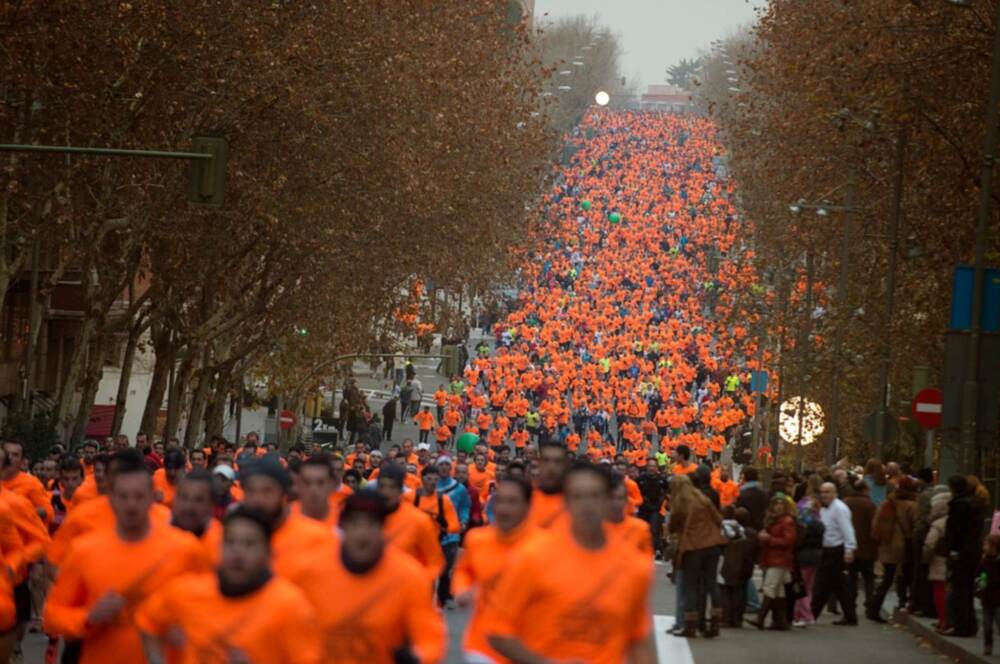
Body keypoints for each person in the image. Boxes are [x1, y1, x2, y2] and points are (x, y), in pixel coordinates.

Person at [42, 449, 209, 664]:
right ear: (111, 497)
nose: (131, 504)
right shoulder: (84, 549)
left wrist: (188, 625)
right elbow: (52, 616)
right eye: (123, 496)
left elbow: (212, 607)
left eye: (139, 496)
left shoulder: (184, 546)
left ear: (152, 496)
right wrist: (88, 617)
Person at [487, 462, 655, 663]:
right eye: (577, 496)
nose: (587, 505)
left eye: (595, 496)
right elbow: (496, 630)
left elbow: (638, 642)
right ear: (565, 503)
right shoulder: (532, 557)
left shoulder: (634, 566)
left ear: (608, 501)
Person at [136, 506, 320, 663]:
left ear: (268, 552)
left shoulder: (291, 606)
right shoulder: (186, 591)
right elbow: (147, 621)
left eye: (249, 544)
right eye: (230, 542)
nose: (237, 553)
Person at [287, 490, 446, 663]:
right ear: (342, 527)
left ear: (384, 528)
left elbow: (430, 637)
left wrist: (416, 657)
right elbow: (288, 631)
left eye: (371, 524)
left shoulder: (410, 577)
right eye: (354, 523)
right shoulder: (308, 571)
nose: (362, 534)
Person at [454, 476, 535, 662]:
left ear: (528, 507)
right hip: (481, 644)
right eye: (500, 501)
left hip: (526, 645)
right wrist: (462, 589)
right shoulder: (477, 539)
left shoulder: (544, 545)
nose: (504, 508)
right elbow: (464, 570)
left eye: (512, 502)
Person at [238, 456, 337, 578]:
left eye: (267, 491)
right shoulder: (234, 539)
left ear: (283, 493)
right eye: (251, 491)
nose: (258, 499)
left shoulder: (318, 538)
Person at [669, 473, 727, 637]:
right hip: (712, 545)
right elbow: (718, 518)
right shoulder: (703, 498)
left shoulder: (681, 502)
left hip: (692, 546)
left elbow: (674, 524)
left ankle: (690, 625)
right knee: (711, 583)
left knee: (691, 586)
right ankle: (715, 623)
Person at [375, 463, 445, 578]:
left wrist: (422, 582)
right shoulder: (365, 516)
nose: (386, 492)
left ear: (400, 490)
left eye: (392, 487)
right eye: (382, 486)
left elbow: (435, 561)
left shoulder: (419, 521)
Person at [868, 475, 917, 622]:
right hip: (903, 547)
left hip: (886, 546)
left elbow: (875, 524)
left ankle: (873, 608)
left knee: (887, 578)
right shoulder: (912, 505)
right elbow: (916, 526)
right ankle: (901, 603)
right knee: (901, 576)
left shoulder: (886, 503)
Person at [810, 481, 858, 626]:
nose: (824, 495)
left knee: (821, 584)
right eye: (822, 492)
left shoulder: (839, 508)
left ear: (835, 493)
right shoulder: (825, 508)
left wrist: (849, 549)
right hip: (827, 549)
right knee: (840, 585)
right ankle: (850, 616)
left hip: (836, 550)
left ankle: (811, 614)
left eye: (827, 492)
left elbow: (847, 529)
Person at [944, 474, 986, 637]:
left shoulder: (959, 505)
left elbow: (956, 531)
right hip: (973, 550)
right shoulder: (976, 504)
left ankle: (961, 625)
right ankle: (970, 624)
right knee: (967, 588)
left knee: (959, 589)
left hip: (961, 552)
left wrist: (954, 550)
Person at [749, 495, 797, 630]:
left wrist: (769, 538)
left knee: (770, 587)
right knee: (778, 590)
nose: (778, 506)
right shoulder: (776, 520)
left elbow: (789, 541)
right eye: (776, 504)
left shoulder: (786, 521)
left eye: (781, 504)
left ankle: (761, 618)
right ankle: (781, 621)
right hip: (775, 558)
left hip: (779, 559)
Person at [171, 470, 223, 564]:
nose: (189, 506)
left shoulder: (221, 546)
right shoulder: (155, 533)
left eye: (199, 500)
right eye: (184, 497)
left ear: (212, 504)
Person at [843, 479, 877, 620]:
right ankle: (869, 604)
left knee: (851, 578)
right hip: (867, 547)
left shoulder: (845, 502)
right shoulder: (870, 505)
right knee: (868, 577)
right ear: (865, 490)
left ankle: (851, 605)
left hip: (850, 547)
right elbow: (874, 526)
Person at [794, 482, 824, 628]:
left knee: (801, 587)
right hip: (817, 555)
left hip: (804, 556)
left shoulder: (804, 525)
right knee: (809, 587)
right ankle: (801, 615)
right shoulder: (819, 523)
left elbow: (800, 540)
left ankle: (805, 615)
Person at [720, 506, 756, 628]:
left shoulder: (729, 531)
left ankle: (726, 617)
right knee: (740, 593)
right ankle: (737, 618)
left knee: (726, 592)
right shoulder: (752, 534)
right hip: (746, 567)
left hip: (731, 565)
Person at [922, 490, 951, 632]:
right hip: (953, 560)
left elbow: (930, 544)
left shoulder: (938, 524)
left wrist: (925, 558)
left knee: (939, 591)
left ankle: (942, 619)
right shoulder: (956, 520)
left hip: (939, 559)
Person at [607, 473, 654, 556]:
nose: (616, 502)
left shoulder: (641, 528)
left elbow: (640, 500)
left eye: (620, 498)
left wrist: (631, 501)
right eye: (612, 498)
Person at [525, 441, 568, 529]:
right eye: (546, 460)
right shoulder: (525, 503)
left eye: (558, 461)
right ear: (539, 463)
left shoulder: (575, 505)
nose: (551, 466)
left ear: (565, 465)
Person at [978, 534, 1000, 655]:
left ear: (994, 547)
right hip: (986, 598)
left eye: (986, 544)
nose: (984, 546)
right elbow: (979, 574)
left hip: (997, 598)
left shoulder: (997, 562)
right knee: (987, 625)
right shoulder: (984, 561)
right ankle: (988, 645)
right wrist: (980, 585)